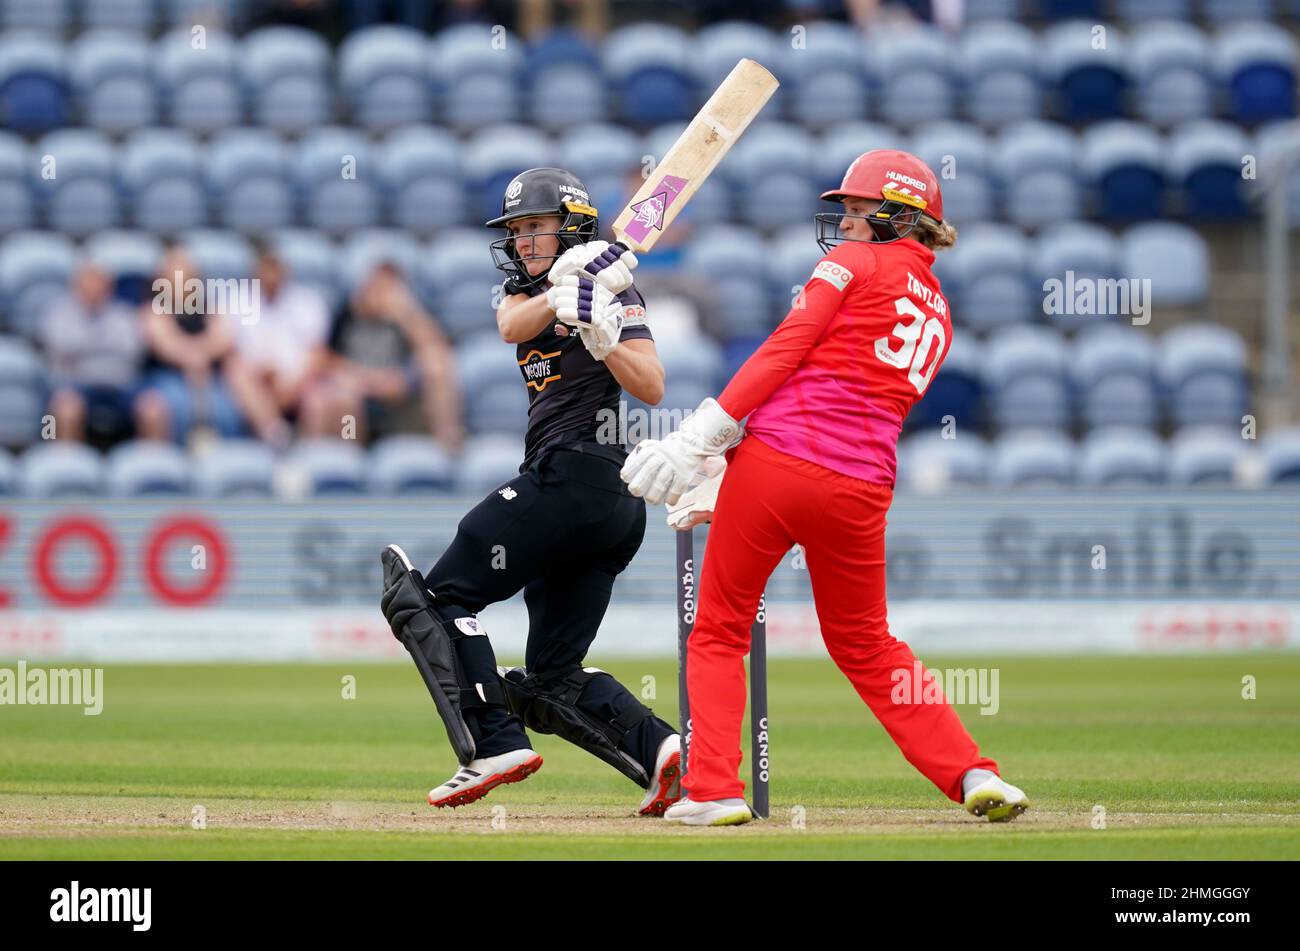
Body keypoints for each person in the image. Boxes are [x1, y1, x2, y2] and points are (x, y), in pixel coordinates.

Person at [621, 150, 1031, 826]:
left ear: (900, 217)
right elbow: (850, 395)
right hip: (863, 489)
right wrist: (730, 464)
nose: (843, 224)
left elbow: (785, 349)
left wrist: (702, 439)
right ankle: (973, 771)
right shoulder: (941, 313)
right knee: (868, 644)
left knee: (720, 627)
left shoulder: (853, 264)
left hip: (779, 465)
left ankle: (716, 789)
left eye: (858, 211)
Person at [379, 167, 683, 815]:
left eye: (533, 228)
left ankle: (493, 742)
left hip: (578, 479)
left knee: (434, 595)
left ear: (569, 225)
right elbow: (511, 325)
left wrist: (603, 337)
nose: (521, 241)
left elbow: (651, 385)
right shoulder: (527, 295)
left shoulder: (615, 296)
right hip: (606, 511)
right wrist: (560, 294)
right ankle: (663, 751)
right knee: (551, 673)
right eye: (515, 230)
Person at [309, 260, 463, 449]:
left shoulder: (404, 318)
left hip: (400, 390)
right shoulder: (348, 313)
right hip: (358, 389)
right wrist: (370, 380)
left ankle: (448, 445)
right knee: (334, 396)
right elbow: (323, 357)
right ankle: (345, 461)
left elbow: (436, 348)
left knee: (437, 365)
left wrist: (407, 314)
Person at [139, 247, 248, 448]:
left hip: (209, 377)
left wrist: (198, 355)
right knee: (164, 407)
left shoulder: (208, 307)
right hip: (166, 378)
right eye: (175, 279)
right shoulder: (154, 308)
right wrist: (194, 356)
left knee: (230, 404)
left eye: (187, 278)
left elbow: (223, 338)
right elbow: (165, 344)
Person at [41, 262, 153, 448]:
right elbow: (61, 348)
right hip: (76, 385)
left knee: (152, 408)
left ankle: (149, 464)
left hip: (121, 386)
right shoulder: (59, 314)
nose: (93, 289)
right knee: (66, 408)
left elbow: (133, 351)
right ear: (76, 287)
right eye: (87, 284)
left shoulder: (124, 315)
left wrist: (85, 348)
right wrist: (106, 346)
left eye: (98, 284)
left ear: (108, 288)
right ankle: (65, 462)